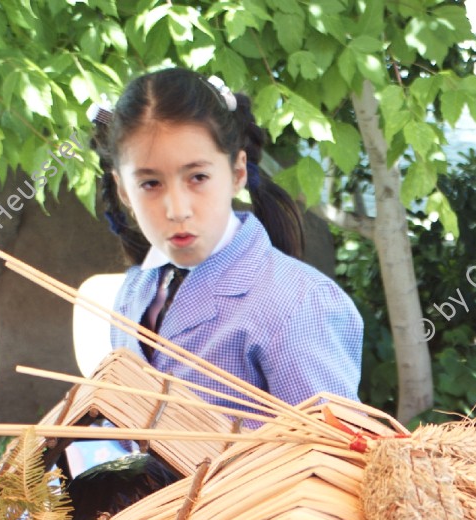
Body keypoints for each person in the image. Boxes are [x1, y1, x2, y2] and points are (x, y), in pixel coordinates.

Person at [90, 69, 363, 418]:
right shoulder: (134, 293)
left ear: (237, 173)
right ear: (124, 190)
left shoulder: (297, 302)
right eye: (150, 184)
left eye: (198, 177)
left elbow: (332, 455)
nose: (177, 210)